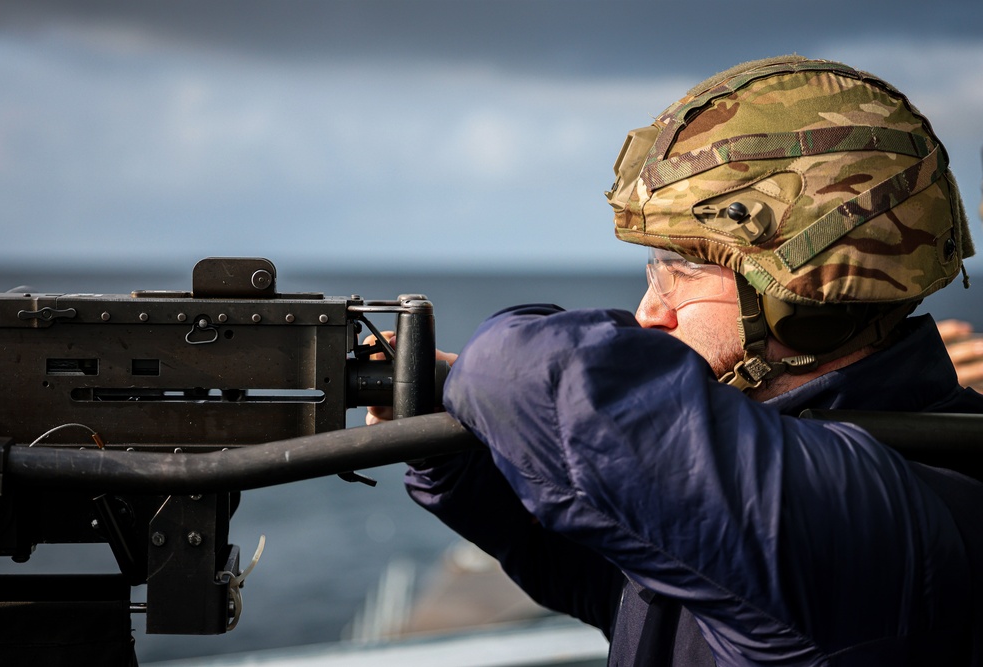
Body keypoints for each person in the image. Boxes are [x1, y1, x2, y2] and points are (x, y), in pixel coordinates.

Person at [369, 56, 983, 665]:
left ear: (805, 305)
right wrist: (448, 449)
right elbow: (612, 577)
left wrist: (480, 374)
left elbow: (526, 369)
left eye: (681, 272)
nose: (648, 313)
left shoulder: (883, 517)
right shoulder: (815, 478)